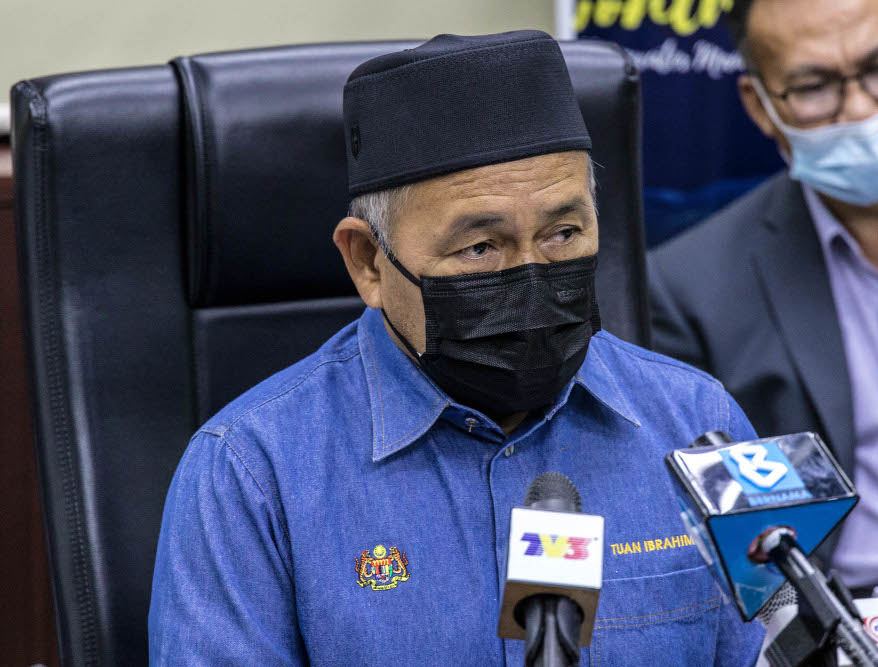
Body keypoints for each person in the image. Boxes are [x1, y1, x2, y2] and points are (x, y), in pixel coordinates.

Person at [149, 31, 763, 664]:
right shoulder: (251, 475)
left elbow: (778, 636)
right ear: (367, 263)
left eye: (563, 233)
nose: (531, 274)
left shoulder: (702, 426)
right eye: (480, 247)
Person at [647, 0, 878, 596]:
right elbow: (700, 537)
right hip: (829, 623)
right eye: (814, 87)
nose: (860, 110)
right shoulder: (688, 288)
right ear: (761, 105)